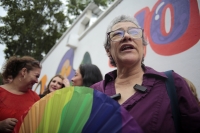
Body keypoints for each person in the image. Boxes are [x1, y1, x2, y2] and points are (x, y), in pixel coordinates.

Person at [90, 15, 200, 133]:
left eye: (133, 32)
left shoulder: (173, 84)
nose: (127, 36)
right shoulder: (93, 93)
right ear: (108, 51)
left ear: (143, 46)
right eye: (117, 34)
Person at [0, 56, 41, 133]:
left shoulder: (35, 97)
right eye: (36, 76)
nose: (37, 81)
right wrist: (1, 125)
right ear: (24, 72)